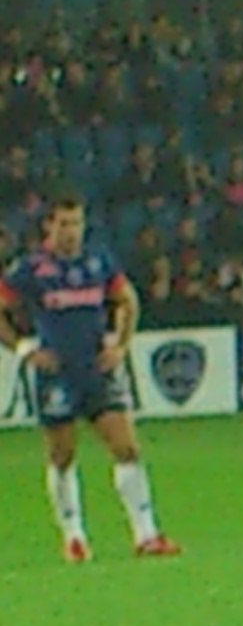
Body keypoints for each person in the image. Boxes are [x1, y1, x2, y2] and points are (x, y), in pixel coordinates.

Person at [0, 195, 178, 562]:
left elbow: (127, 300)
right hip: (57, 375)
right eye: (64, 223)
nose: (72, 232)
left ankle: (146, 534)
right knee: (62, 455)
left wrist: (121, 346)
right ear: (49, 226)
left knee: (127, 448)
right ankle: (74, 536)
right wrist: (23, 349)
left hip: (97, 370)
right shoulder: (31, 269)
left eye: (77, 223)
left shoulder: (98, 261)